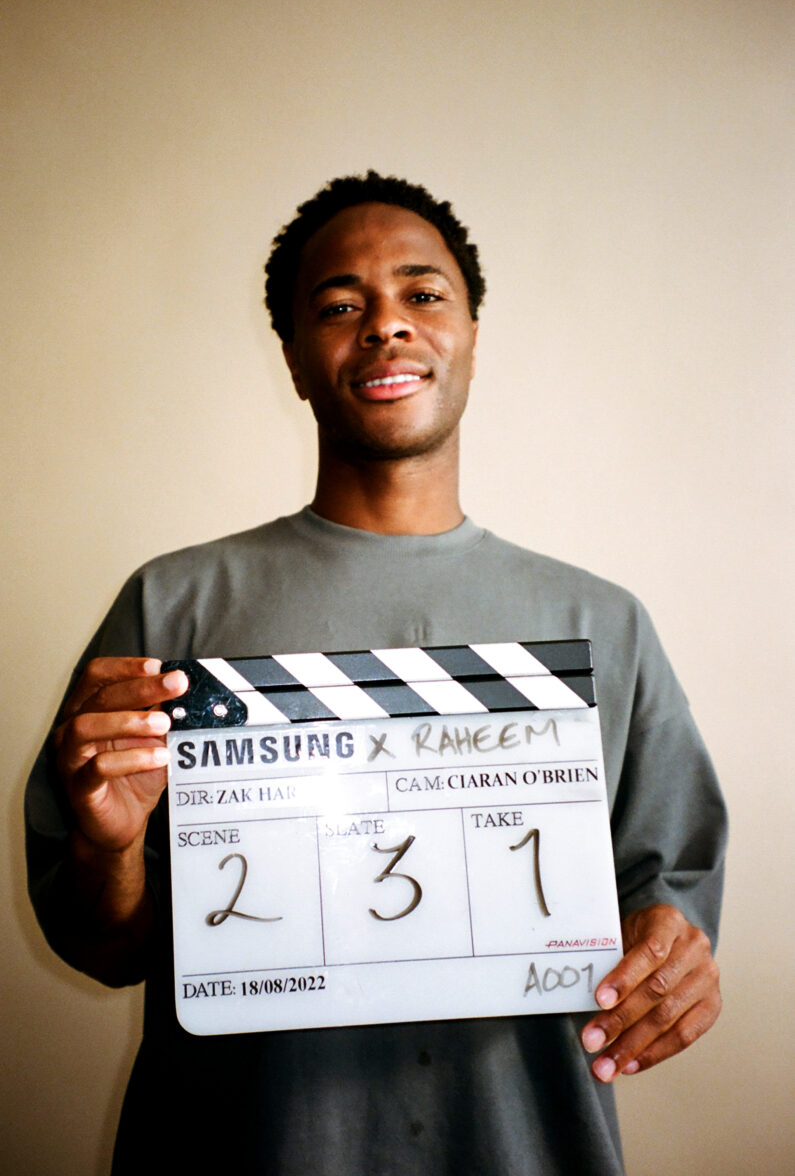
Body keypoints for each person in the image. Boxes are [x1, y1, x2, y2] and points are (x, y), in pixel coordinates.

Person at [26, 172, 726, 1175]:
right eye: (339, 307)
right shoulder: (174, 608)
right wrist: (109, 848)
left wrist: (677, 957)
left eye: (422, 294)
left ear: (471, 333)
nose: (387, 325)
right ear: (293, 360)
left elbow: (669, 904)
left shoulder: (601, 625)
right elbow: (104, 947)